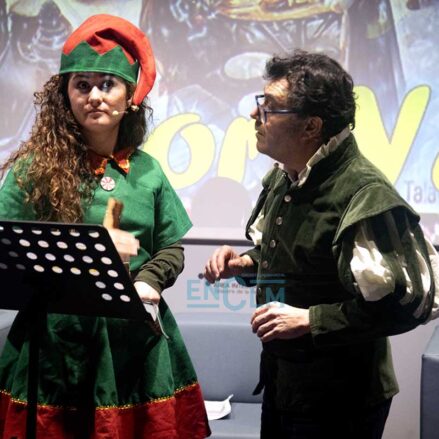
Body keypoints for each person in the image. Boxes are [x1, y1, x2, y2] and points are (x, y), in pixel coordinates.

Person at [204, 50, 438, 439]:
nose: (255, 114)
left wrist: (311, 320)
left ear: (311, 126)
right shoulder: (289, 177)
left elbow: (401, 306)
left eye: (270, 106)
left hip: (341, 400)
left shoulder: (364, 194)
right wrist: (245, 264)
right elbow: (302, 262)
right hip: (286, 384)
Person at [0, 14, 210, 439]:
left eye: (107, 84)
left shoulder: (148, 171)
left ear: (129, 96)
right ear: (66, 95)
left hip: (133, 338)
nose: (94, 96)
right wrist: (86, 250)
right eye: (82, 85)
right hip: (54, 340)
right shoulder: (34, 168)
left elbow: (171, 248)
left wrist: (149, 280)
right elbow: (6, 244)